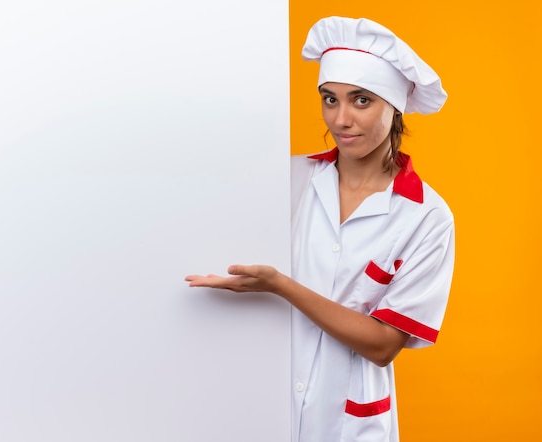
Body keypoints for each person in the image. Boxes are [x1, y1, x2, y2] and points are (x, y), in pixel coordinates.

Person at [185, 16, 454, 442]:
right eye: (330, 99)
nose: (341, 119)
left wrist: (280, 285)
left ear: (395, 107)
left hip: (350, 422)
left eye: (361, 101)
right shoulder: (287, 180)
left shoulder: (426, 216)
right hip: (259, 399)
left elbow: (384, 344)